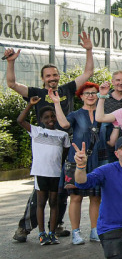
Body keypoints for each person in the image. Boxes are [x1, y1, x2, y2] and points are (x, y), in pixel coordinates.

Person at [5, 33, 95, 241]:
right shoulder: (35, 92)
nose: (52, 78)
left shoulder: (68, 89)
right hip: (45, 147)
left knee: (63, 186)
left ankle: (57, 225)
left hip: (66, 146)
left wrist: (89, 50)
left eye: (55, 75)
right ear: (43, 78)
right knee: (40, 192)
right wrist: (11, 63)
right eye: (48, 76)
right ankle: (25, 227)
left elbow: (88, 72)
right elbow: (12, 84)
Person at [52, 84, 104, 242]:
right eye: (86, 93)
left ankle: (95, 230)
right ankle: (75, 232)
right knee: (75, 197)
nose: (90, 96)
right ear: (81, 96)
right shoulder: (75, 114)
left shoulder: (102, 113)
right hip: (77, 159)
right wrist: (56, 103)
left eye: (94, 93)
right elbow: (64, 124)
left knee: (96, 197)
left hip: (97, 160)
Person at [17, 97, 69, 245]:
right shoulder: (36, 131)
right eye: (46, 117)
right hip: (41, 173)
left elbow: (64, 153)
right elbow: (20, 121)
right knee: (40, 203)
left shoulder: (62, 135)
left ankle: (52, 233)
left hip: (55, 174)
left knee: (54, 202)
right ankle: (42, 234)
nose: (50, 119)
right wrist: (30, 104)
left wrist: (58, 166)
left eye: (52, 116)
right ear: (41, 120)